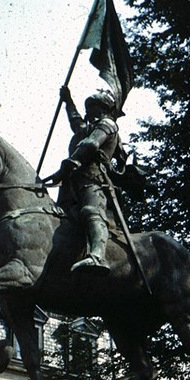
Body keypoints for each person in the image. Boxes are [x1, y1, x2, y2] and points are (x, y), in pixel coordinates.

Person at [57, 85, 124, 272]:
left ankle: (98, 256)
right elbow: (75, 121)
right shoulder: (87, 127)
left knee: (91, 211)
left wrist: (71, 162)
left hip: (94, 179)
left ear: (102, 108)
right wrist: (67, 101)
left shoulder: (108, 125)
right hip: (72, 182)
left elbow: (91, 143)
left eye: (92, 106)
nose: (88, 111)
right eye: (87, 107)